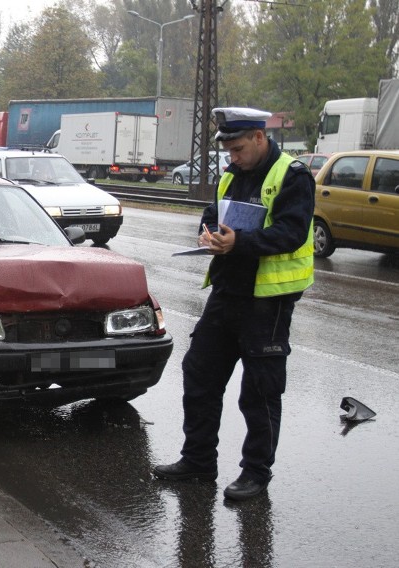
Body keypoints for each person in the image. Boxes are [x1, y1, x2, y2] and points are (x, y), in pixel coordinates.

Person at [153, 107, 315, 501]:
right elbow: (213, 214)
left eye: (239, 149)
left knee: (259, 391)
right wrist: (207, 233)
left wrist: (239, 243)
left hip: (268, 303)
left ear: (260, 138)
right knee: (199, 375)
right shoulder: (230, 174)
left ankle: (255, 473)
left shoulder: (292, 176)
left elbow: (291, 233)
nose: (233, 158)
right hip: (226, 293)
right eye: (228, 151)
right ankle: (198, 461)